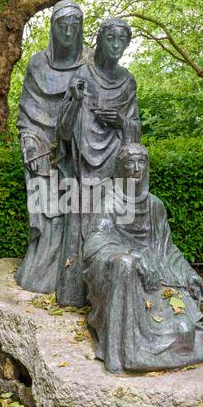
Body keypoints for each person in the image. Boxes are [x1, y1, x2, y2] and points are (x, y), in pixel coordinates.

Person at [83, 143, 203, 373]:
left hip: (159, 279)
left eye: (141, 162)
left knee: (185, 329)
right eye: (129, 163)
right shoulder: (109, 202)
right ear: (120, 168)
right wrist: (130, 255)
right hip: (129, 280)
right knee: (125, 265)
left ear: (147, 167)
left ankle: (150, 352)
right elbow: (96, 240)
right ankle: (127, 354)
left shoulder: (155, 206)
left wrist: (189, 274)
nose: (136, 168)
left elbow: (168, 249)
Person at [56, 18, 141, 306]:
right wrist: (75, 101)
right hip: (84, 161)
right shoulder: (83, 74)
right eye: (110, 39)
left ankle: (109, 295)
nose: (116, 45)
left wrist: (122, 122)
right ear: (99, 40)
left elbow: (136, 127)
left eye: (122, 40)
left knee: (111, 222)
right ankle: (75, 292)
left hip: (114, 161)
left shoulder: (128, 81)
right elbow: (64, 129)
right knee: (82, 219)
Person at [16, 1, 88, 293]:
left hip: (79, 147)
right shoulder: (37, 63)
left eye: (75, 25)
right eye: (63, 25)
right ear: (53, 28)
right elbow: (27, 113)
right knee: (48, 211)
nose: (69, 32)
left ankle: (76, 274)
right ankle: (42, 267)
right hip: (44, 144)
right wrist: (30, 141)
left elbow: (96, 110)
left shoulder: (90, 64)